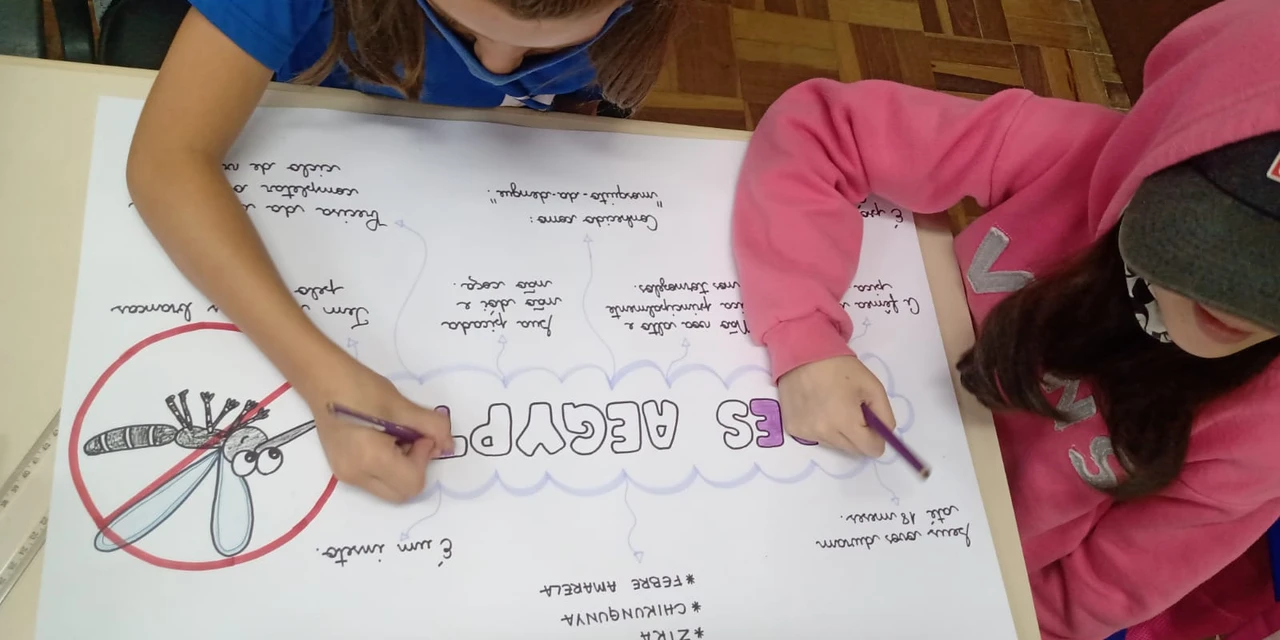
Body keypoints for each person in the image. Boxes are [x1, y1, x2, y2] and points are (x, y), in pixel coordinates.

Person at [728, 0, 1280, 638]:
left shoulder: (1264, 436)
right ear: (1156, 147)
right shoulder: (1076, 155)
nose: (1233, 306)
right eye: (1214, 251)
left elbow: (1090, 598)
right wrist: (805, 334)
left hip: (935, 580)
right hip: (804, 478)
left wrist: (969, 613)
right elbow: (826, 128)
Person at [125, 0, 677, 504]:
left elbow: (581, 107)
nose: (496, 66)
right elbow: (167, 162)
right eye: (461, 28)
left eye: (545, 49)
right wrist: (324, 381)